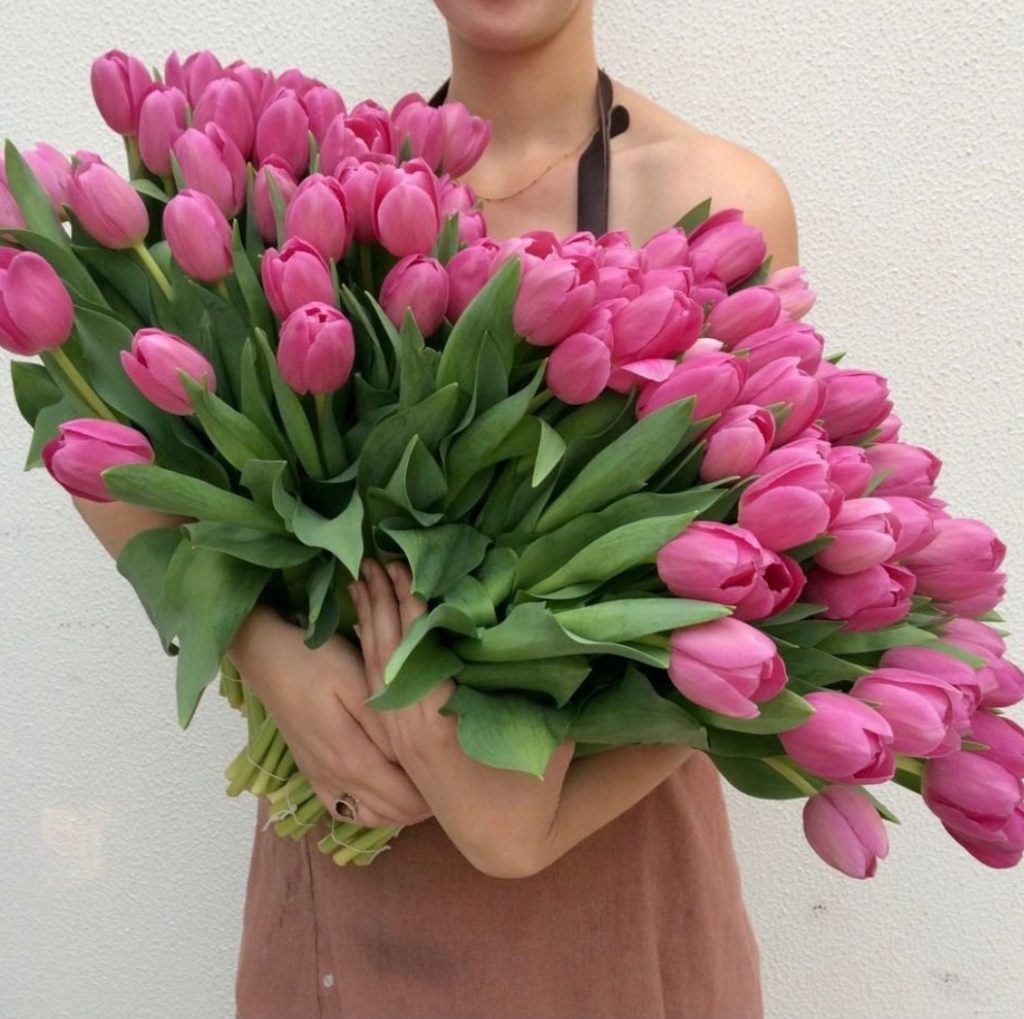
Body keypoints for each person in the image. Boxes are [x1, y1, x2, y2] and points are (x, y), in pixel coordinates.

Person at [71, 2, 799, 1016]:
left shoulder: (714, 201)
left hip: (608, 896)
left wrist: (521, 829)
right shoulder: (320, 178)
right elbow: (98, 430)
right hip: (352, 872)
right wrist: (264, 650)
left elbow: (764, 601)